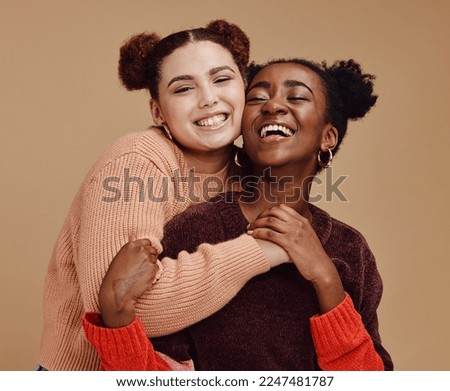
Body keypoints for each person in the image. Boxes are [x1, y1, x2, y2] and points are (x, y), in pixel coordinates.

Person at [82, 57, 393, 370]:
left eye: (296, 97)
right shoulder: (194, 229)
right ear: (244, 128)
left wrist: (326, 279)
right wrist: (117, 312)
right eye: (257, 98)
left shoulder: (351, 250)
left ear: (328, 137)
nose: (273, 106)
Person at [37, 20, 289, 371]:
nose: (208, 98)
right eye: (184, 88)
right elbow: (123, 307)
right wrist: (263, 249)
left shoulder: (251, 171)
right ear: (158, 111)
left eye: (222, 79)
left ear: (245, 86)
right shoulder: (137, 159)